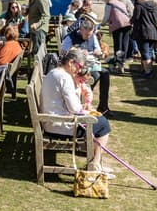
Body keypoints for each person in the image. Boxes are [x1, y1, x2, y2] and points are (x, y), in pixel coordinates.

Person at [41, 48, 113, 176]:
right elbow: (74, 109)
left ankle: (96, 163)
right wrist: (87, 112)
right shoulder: (64, 77)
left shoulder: (54, 72)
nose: (79, 70)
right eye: (78, 66)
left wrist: (85, 111)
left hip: (51, 121)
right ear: (70, 62)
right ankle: (95, 164)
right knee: (103, 125)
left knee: (98, 120)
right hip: (59, 126)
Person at [60, 13, 111, 115]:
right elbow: (63, 52)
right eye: (86, 34)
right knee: (95, 75)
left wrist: (97, 51)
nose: (88, 37)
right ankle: (85, 102)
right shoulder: (71, 37)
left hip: (90, 63)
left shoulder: (92, 36)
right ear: (81, 29)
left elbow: (96, 47)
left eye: (90, 34)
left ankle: (103, 106)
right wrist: (77, 51)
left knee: (105, 73)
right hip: (76, 67)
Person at [131, 0, 157, 78]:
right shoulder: (155, 6)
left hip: (142, 32)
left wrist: (131, 21)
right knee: (150, 51)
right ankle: (148, 69)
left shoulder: (139, 6)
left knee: (145, 52)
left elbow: (136, 18)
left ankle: (148, 72)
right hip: (154, 32)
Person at [103, 0, 132, 71]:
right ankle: (122, 62)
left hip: (117, 25)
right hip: (127, 23)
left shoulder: (109, 4)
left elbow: (106, 17)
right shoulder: (121, 2)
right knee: (125, 44)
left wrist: (102, 24)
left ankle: (119, 63)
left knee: (118, 45)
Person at [25, 0, 50, 73]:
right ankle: (37, 70)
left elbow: (46, 16)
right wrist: (27, 11)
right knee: (35, 50)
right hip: (33, 29)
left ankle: (40, 71)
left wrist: (37, 24)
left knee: (38, 51)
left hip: (39, 30)